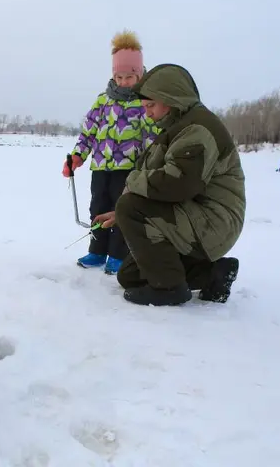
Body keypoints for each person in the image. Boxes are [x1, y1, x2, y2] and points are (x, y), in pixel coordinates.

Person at [93, 63, 246, 306]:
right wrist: (119, 211)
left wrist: (130, 187)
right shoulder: (174, 128)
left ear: (171, 99)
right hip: (194, 217)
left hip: (213, 221)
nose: (148, 113)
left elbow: (178, 184)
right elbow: (154, 179)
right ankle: (212, 274)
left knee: (132, 207)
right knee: (131, 276)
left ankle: (170, 288)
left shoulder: (198, 128)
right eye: (144, 107)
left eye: (151, 105)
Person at [63, 30, 158, 274]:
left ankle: (118, 254)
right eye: (120, 76)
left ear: (139, 74)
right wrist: (77, 156)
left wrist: (151, 166)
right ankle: (97, 250)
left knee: (120, 211)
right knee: (97, 208)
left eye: (130, 76)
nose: (124, 81)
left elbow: (152, 138)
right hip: (101, 168)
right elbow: (88, 133)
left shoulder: (143, 103)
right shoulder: (102, 102)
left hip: (128, 170)